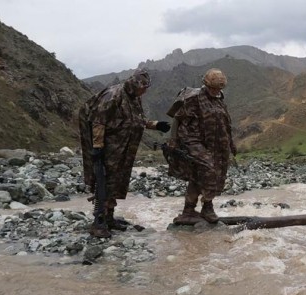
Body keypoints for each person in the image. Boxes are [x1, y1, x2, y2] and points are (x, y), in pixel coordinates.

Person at [78, 69, 171, 238]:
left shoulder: (134, 98)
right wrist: (98, 147)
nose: (145, 91)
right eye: (143, 87)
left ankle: (109, 217)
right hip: (110, 147)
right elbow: (99, 120)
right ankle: (98, 221)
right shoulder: (113, 95)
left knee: (116, 180)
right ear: (134, 85)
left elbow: (137, 120)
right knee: (104, 180)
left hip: (124, 147)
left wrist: (156, 125)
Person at [163, 68, 236, 225]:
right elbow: (177, 118)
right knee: (209, 168)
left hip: (217, 145)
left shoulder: (219, 100)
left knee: (202, 174)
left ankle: (189, 209)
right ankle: (207, 206)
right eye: (214, 88)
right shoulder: (193, 98)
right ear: (207, 84)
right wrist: (173, 140)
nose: (217, 91)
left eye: (219, 89)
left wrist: (231, 144)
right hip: (193, 141)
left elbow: (226, 124)